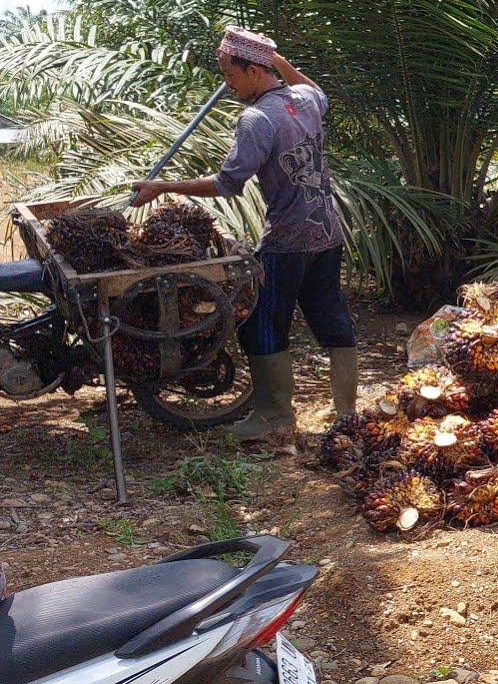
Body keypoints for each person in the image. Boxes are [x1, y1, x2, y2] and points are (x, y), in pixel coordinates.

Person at [131, 26, 356, 439]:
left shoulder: (256, 119)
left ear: (253, 69)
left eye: (229, 73)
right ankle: (347, 413)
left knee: (262, 324)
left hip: (287, 239)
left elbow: (227, 184)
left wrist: (162, 187)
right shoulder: (304, 100)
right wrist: (275, 57)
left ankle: (273, 418)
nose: (226, 83)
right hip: (327, 232)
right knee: (331, 316)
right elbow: (314, 87)